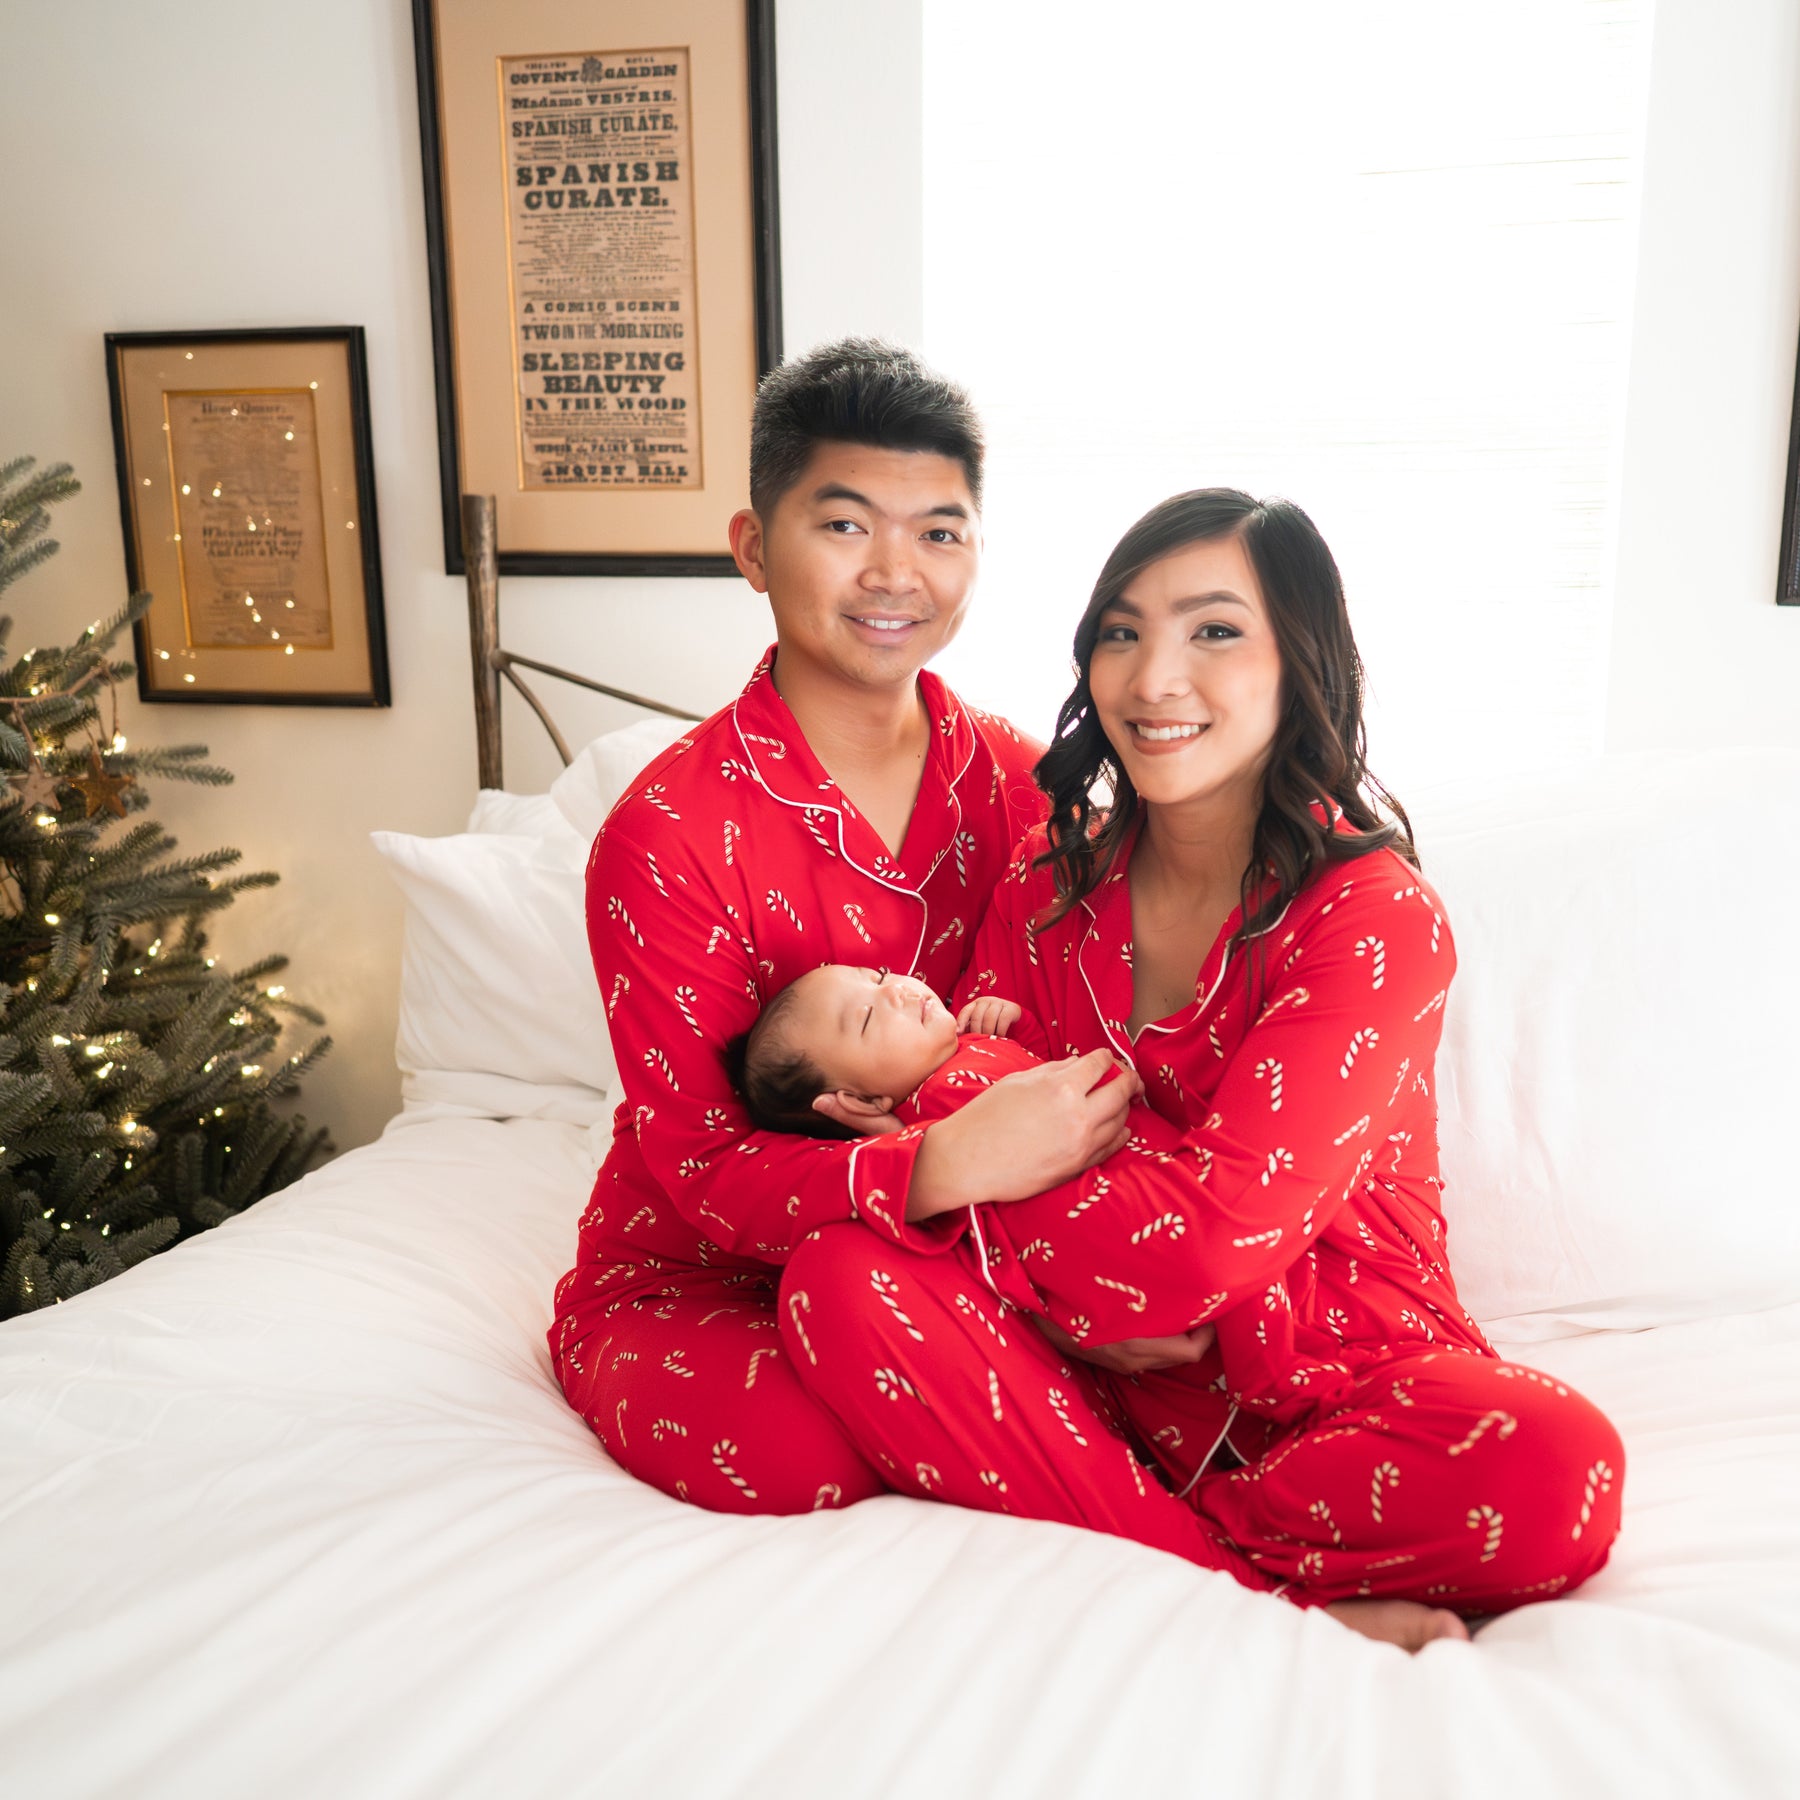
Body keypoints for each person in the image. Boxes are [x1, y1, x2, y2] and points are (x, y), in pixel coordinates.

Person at [775, 489, 1626, 1650]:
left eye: (1214, 630)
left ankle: (1135, 1546)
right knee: (835, 1277)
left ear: (1298, 661)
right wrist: (1069, 1301)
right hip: (1086, 1378)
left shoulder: (1373, 917)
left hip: (1334, 1373)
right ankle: (1236, 1589)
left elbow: (1206, 1246)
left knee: (1558, 1469)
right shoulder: (1043, 885)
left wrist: (1016, 1234)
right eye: (1121, 633)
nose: (1153, 678)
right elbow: (953, 1108)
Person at [548, 340, 1157, 1523]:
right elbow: (701, 1168)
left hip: (988, 1253)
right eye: (844, 526)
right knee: (800, 1453)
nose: (895, 572)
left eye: (939, 532)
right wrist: (940, 1165)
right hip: (708, 1272)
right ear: (751, 547)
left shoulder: (1025, 781)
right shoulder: (666, 833)